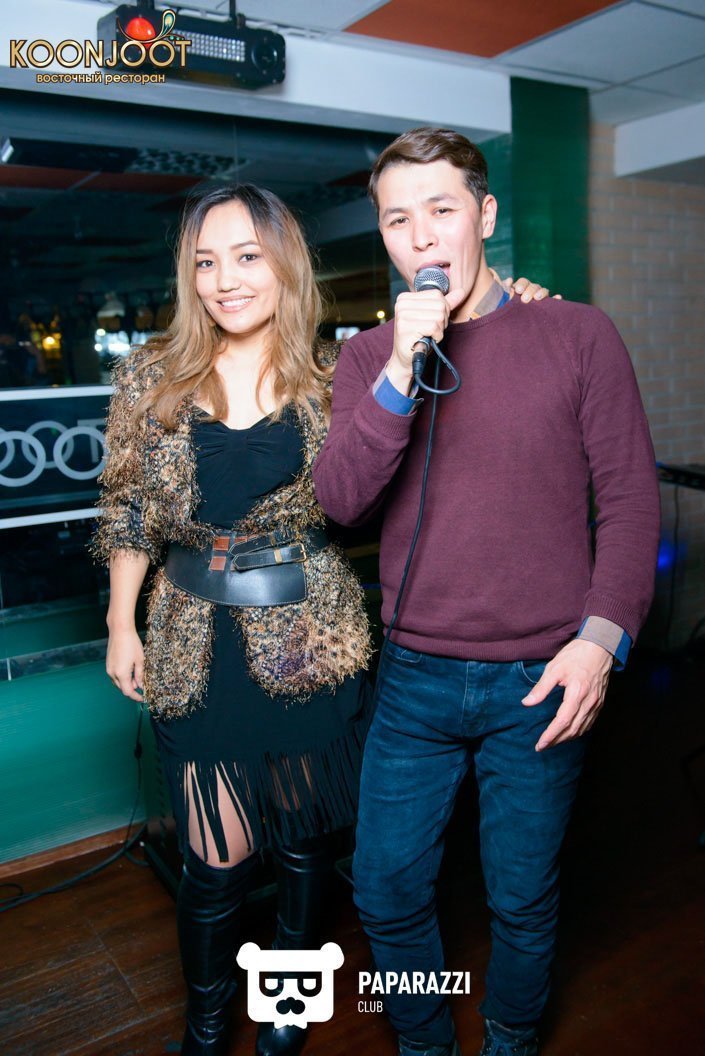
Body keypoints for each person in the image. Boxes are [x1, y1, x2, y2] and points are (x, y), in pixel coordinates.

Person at [312, 128, 660, 1056]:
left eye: (441, 209)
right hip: (413, 679)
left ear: (485, 214)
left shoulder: (575, 334)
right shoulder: (368, 359)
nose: (421, 236)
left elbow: (630, 501)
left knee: (520, 894)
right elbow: (340, 503)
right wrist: (400, 369)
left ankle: (509, 1039)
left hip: (541, 679)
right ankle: (424, 1042)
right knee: (384, 888)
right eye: (397, 219)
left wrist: (599, 642)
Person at [92, 184, 375, 1056]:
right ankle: (208, 1024)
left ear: (285, 263)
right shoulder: (149, 376)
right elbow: (128, 509)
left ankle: (286, 1004)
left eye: (247, 256)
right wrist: (121, 623)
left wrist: (512, 299)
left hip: (307, 641)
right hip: (193, 644)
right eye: (206, 261)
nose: (225, 279)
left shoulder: (338, 374)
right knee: (215, 864)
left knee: (303, 848)